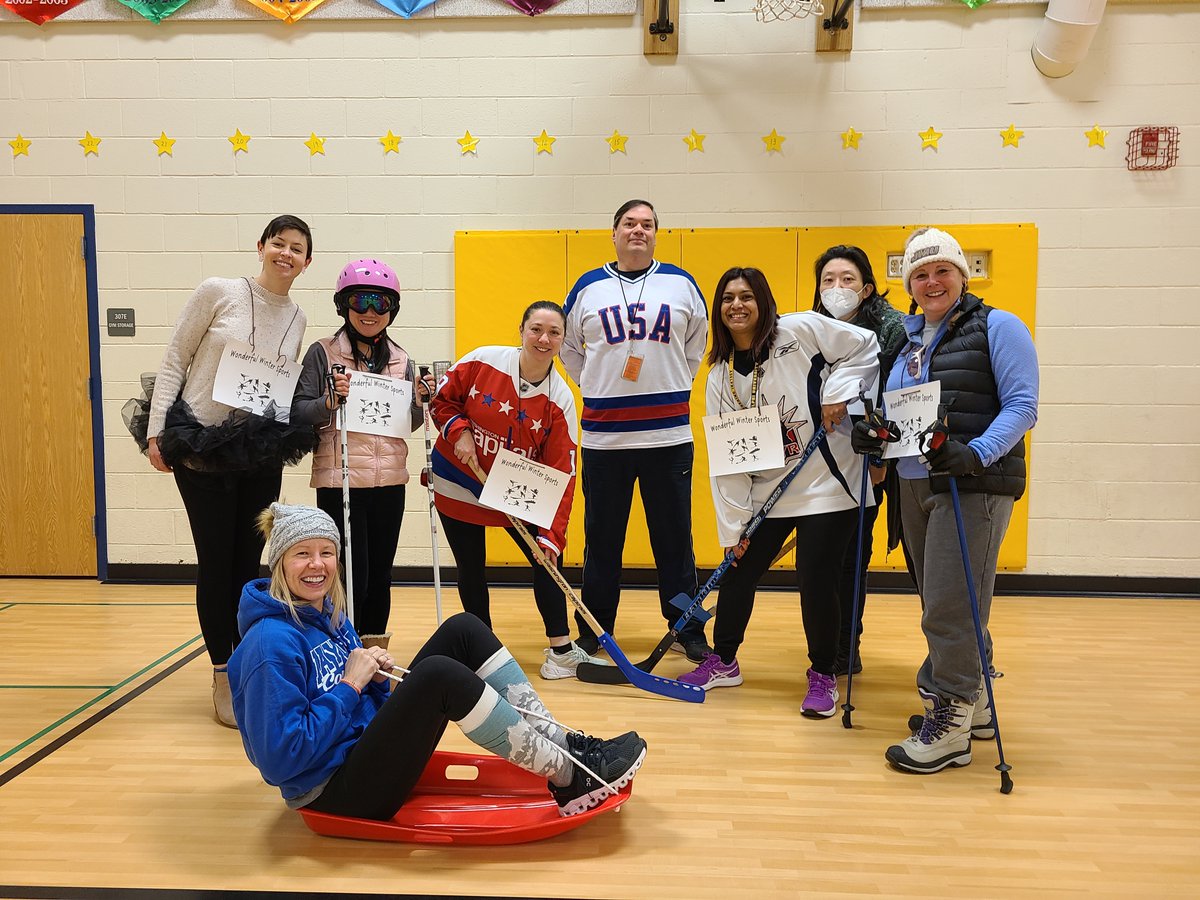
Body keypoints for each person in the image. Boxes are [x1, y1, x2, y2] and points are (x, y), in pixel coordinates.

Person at [227, 503, 647, 820]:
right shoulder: (269, 646)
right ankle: (569, 778)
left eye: (326, 552)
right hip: (333, 790)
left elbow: (360, 707)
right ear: (279, 563)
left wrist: (373, 681)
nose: (317, 565)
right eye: (302, 554)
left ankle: (564, 745)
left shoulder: (327, 614)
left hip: (362, 751)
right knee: (438, 676)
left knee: (462, 629)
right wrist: (350, 686)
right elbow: (281, 760)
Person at [852, 227, 1038, 773]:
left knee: (951, 605)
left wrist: (977, 453)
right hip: (916, 483)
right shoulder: (908, 340)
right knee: (948, 600)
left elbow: (1023, 404)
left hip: (972, 484)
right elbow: (900, 414)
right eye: (920, 273)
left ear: (962, 274)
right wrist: (876, 438)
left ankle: (951, 721)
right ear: (910, 283)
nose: (932, 281)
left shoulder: (997, 325)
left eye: (942, 270)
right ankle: (974, 702)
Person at [679, 267, 879, 719]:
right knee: (738, 571)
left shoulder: (800, 329)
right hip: (769, 491)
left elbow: (865, 346)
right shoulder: (718, 376)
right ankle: (723, 661)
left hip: (830, 483)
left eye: (746, 296)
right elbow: (728, 462)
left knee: (815, 577)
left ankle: (823, 674)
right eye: (728, 298)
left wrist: (839, 392)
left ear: (763, 300)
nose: (737, 305)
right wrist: (734, 530)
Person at [140, 215, 314, 728]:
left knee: (250, 563)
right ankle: (220, 671)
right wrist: (157, 430)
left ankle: (246, 665)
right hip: (201, 444)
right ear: (261, 247)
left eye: (297, 248)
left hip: (260, 448)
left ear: (307, 261)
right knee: (216, 562)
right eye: (278, 244)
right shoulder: (218, 291)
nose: (286, 253)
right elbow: (176, 357)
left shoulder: (299, 317)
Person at [560, 199, 712, 662]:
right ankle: (595, 627)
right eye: (629, 223)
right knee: (602, 538)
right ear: (614, 232)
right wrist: (593, 383)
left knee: (675, 539)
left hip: (667, 437)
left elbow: (697, 345)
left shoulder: (682, 284)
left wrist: (674, 383)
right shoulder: (588, 286)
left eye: (647, 224)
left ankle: (686, 627)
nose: (638, 230)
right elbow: (568, 348)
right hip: (605, 438)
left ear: (655, 234)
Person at [430, 301, 604, 680]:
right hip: (459, 479)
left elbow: (562, 475)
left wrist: (552, 537)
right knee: (471, 567)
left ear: (563, 340)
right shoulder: (483, 361)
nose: (544, 339)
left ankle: (560, 650)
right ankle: (482, 652)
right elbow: (442, 401)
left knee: (545, 560)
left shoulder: (560, 400)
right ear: (522, 330)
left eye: (554, 332)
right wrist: (459, 431)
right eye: (536, 329)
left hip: (515, 490)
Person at [291, 258, 433, 651]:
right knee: (348, 573)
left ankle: (374, 653)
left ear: (392, 309)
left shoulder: (403, 359)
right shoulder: (322, 353)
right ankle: (340, 648)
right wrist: (330, 400)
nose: (370, 312)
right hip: (341, 480)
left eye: (380, 303)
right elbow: (299, 410)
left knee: (380, 575)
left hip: (389, 481)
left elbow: (405, 424)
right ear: (343, 306)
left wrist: (421, 402)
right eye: (360, 301)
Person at [810, 245, 907, 676]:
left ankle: (847, 647)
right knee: (821, 563)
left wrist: (882, 454)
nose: (837, 288)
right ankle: (826, 643)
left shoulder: (892, 334)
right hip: (817, 465)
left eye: (847, 279)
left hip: (868, 463)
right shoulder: (808, 331)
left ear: (867, 288)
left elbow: (899, 397)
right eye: (828, 280)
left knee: (852, 560)